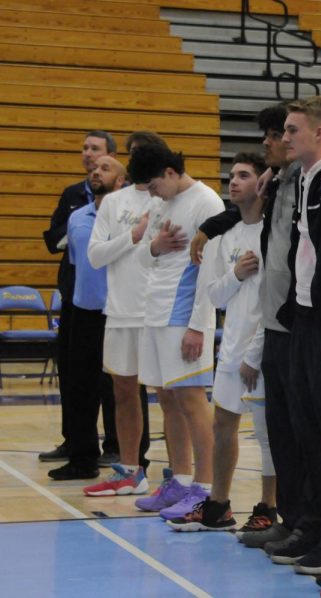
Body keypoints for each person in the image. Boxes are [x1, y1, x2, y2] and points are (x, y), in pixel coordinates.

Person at [167, 152, 276, 532]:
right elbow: (215, 296)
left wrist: (255, 355)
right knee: (223, 428)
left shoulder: (274, 233)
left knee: (267, 436)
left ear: (261, 183)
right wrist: (236, 273)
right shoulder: (224, 235)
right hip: (231, 349)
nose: (233, 181)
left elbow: (274, 303)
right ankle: (219, 506)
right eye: (231, 175)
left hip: (261, 354)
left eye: (244, 175)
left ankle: (268, 507)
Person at [267, 97, 321, 572]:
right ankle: (313, 523)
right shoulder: (300, 179)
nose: (285, 137)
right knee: (305, 430)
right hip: (300, 315)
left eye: (294, 129)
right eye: (284, 129)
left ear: (320, 134)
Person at [128, 143, 225, 519]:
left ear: (170, 172)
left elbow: (210, 270)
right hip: (153, 311)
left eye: (153, 185)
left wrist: (199, 327)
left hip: (183, 315)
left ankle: (204, 487)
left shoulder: (206, 202)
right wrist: (155, 245)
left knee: (191, 400)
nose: (151, 193)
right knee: (166, 399)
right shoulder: (159, 204)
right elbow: (140, 256)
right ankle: (180, 479)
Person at [82, 131, 164, 497]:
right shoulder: (114, 203)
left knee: (173, 397)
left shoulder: (171, 200)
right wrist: (133, 235)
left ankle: (184, 475)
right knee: (124, 393)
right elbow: (95, 256)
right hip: (120, 312)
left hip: (160, 314)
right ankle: (131, 470)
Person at [40, 130, 119, 466]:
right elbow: (53, 237)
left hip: (112, 300)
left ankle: (116, 444)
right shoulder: (73, 196)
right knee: (73, 372)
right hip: (75, 294)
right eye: (86, 150)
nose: (89, 156)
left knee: (112, 376)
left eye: (96, 150)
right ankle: (74, 440)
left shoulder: (122, 201)